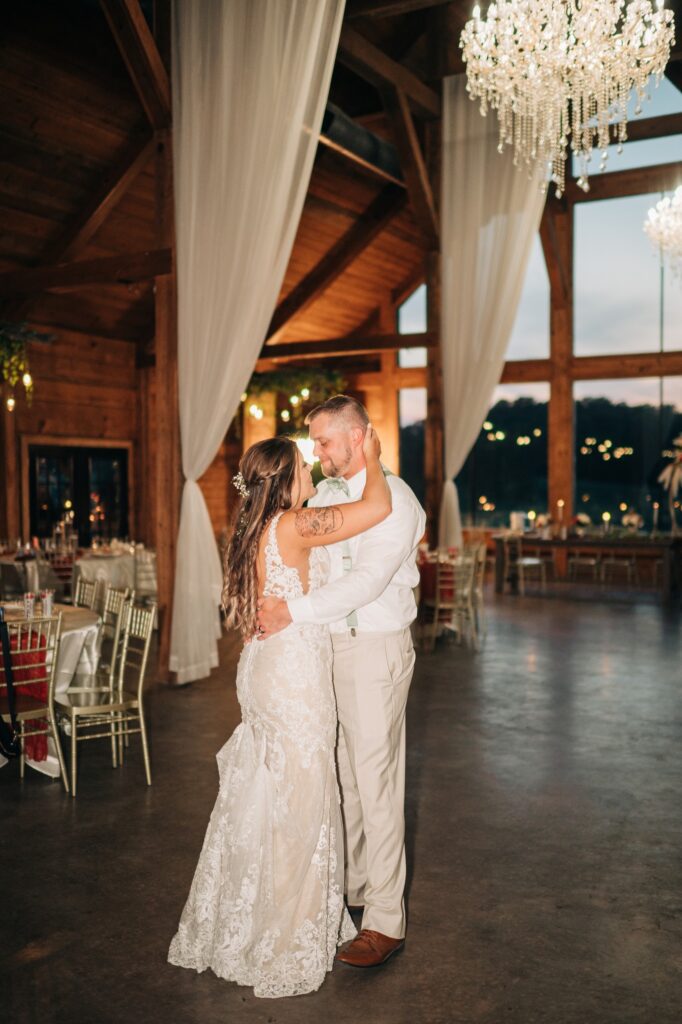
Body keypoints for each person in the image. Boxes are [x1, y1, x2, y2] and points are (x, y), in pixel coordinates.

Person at [168, 426, 392, 999]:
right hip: (294, 679)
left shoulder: (252, 527)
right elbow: (375, 508)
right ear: (283, 481)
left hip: (263, 670)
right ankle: (283, 935)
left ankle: (241, 920)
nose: (310, 472)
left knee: (264, 795)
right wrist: (369, 453)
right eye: (302, 466)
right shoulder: (294, 525)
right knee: (302, 801)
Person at [257, 395, 426, 969]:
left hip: (375, 651)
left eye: (324, 442)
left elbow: (366, 582)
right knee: (344, 783)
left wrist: (291, 615)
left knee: (376, 783)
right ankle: (352, 895)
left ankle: (385, 921)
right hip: (324, 654)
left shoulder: (396, 500)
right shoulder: (322, 496)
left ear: (359, 439)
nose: (317, 452)